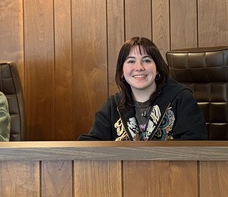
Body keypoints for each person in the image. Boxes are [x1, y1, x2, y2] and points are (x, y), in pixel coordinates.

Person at [79, 36, 207, 141]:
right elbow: (92, 144)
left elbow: (195, 144)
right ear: (122, 72)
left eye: (146, 60)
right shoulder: (112, 106)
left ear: (157, 69)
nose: (139, 67)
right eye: (131, 61)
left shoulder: (181, 99)